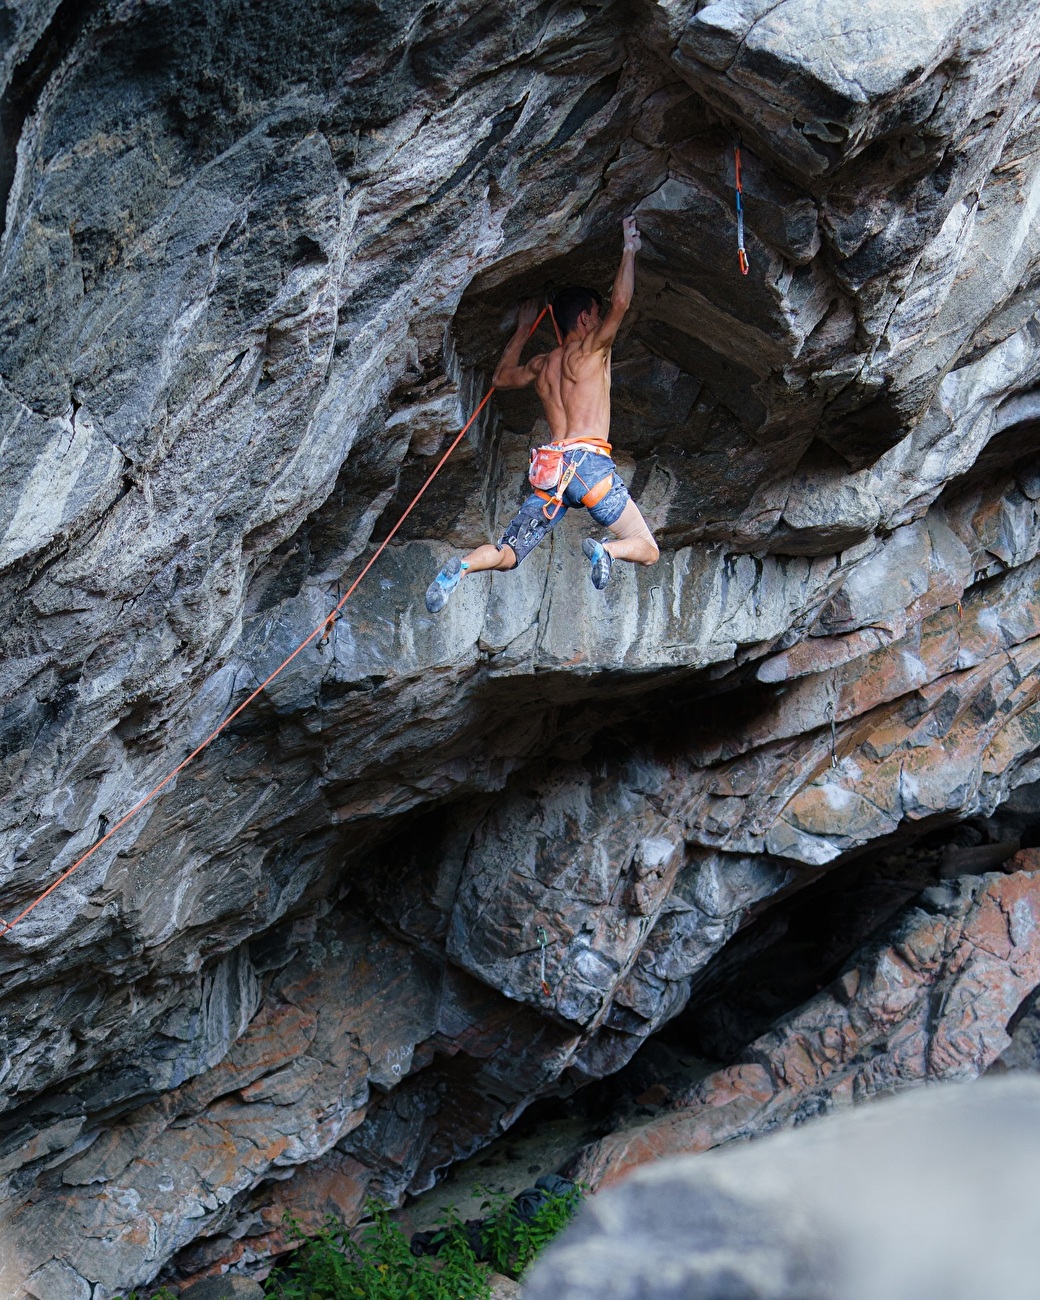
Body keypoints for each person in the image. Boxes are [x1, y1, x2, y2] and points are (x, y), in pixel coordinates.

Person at [425, 216, 659, 613]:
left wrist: (521, 329)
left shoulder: (541, 365)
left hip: (551, 471)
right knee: (648, 548)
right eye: (596, 316)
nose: (603, 322)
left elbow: (500, 377)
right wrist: (629, 248)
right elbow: (622, 302)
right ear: (585, 318)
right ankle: (607, 552)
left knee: (509, 554)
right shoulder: (593, 351)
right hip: (589, 466)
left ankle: (461, 568)